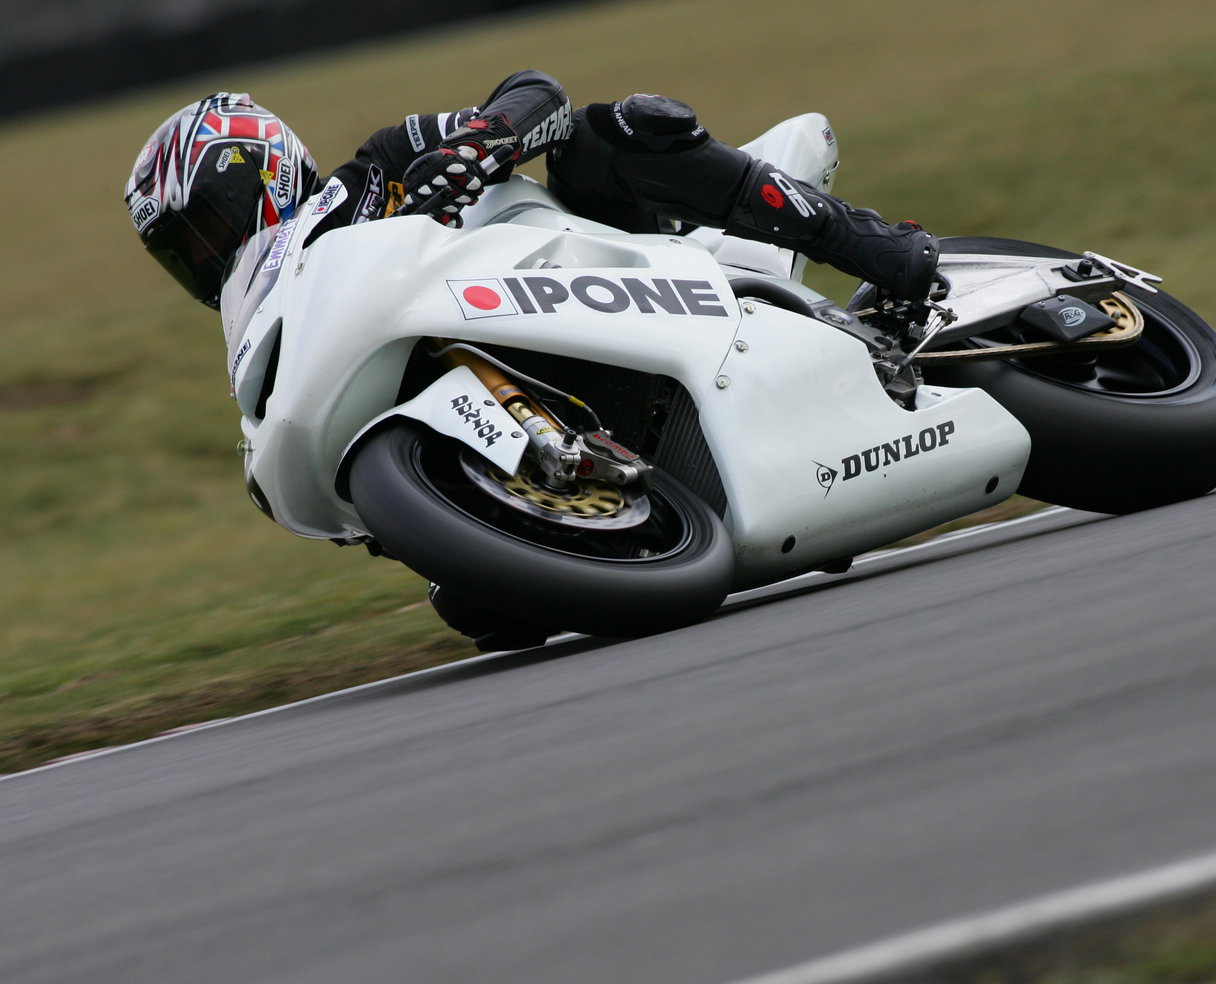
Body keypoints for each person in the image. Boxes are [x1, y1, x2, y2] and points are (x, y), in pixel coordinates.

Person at [124, 71, 939, 650]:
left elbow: (534, 91)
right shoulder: (267, 328)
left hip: (611, 262)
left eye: (205, 223)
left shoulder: (371, 174)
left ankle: (875, 244)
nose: (202, 255)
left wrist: (482, 142)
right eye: (181, 251)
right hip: (517, 358)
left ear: (258, 172)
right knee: (485, 617)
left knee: (607, 132)